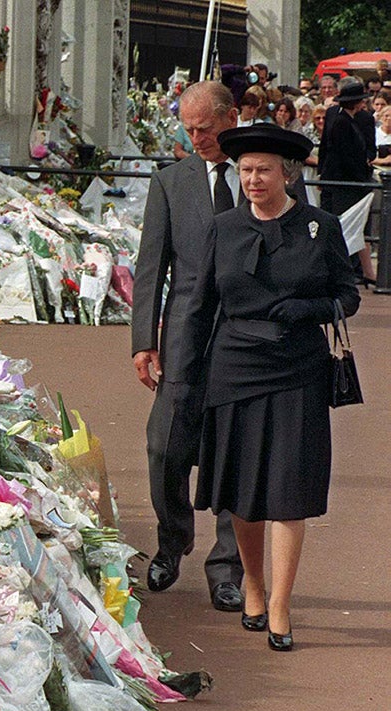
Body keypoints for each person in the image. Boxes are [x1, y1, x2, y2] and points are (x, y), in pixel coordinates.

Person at [193, 124, 360, 651]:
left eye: (263, 169)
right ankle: (255, 587)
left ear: (286, 173)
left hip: (297, 368)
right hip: (235, 366)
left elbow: (347, 295)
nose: (252, 179)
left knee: (289, 491)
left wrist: (309, 308)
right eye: (244, 170)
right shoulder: (223, 228)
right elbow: (198, 304)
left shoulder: (321, 225)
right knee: (244, 492)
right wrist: (181, 370)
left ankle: (282, 605)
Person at [131, 81, 244, 612]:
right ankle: (172, 543)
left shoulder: (265, 173)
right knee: (164, 446)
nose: (194, 137)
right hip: (183, 336)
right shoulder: (170, 182)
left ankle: (228, 569)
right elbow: (151, 267)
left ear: (232, 118)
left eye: (205, 128)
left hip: (248, 338)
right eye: (188, 128)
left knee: (236, 452)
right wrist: (142, 342)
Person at [319, 76, 377, 284]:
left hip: (348, 180)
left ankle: (362, 271)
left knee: (355, 225)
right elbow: (340, 152)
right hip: (343, 182)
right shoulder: (341, 121)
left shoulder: (351, 119)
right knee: (342, 223)